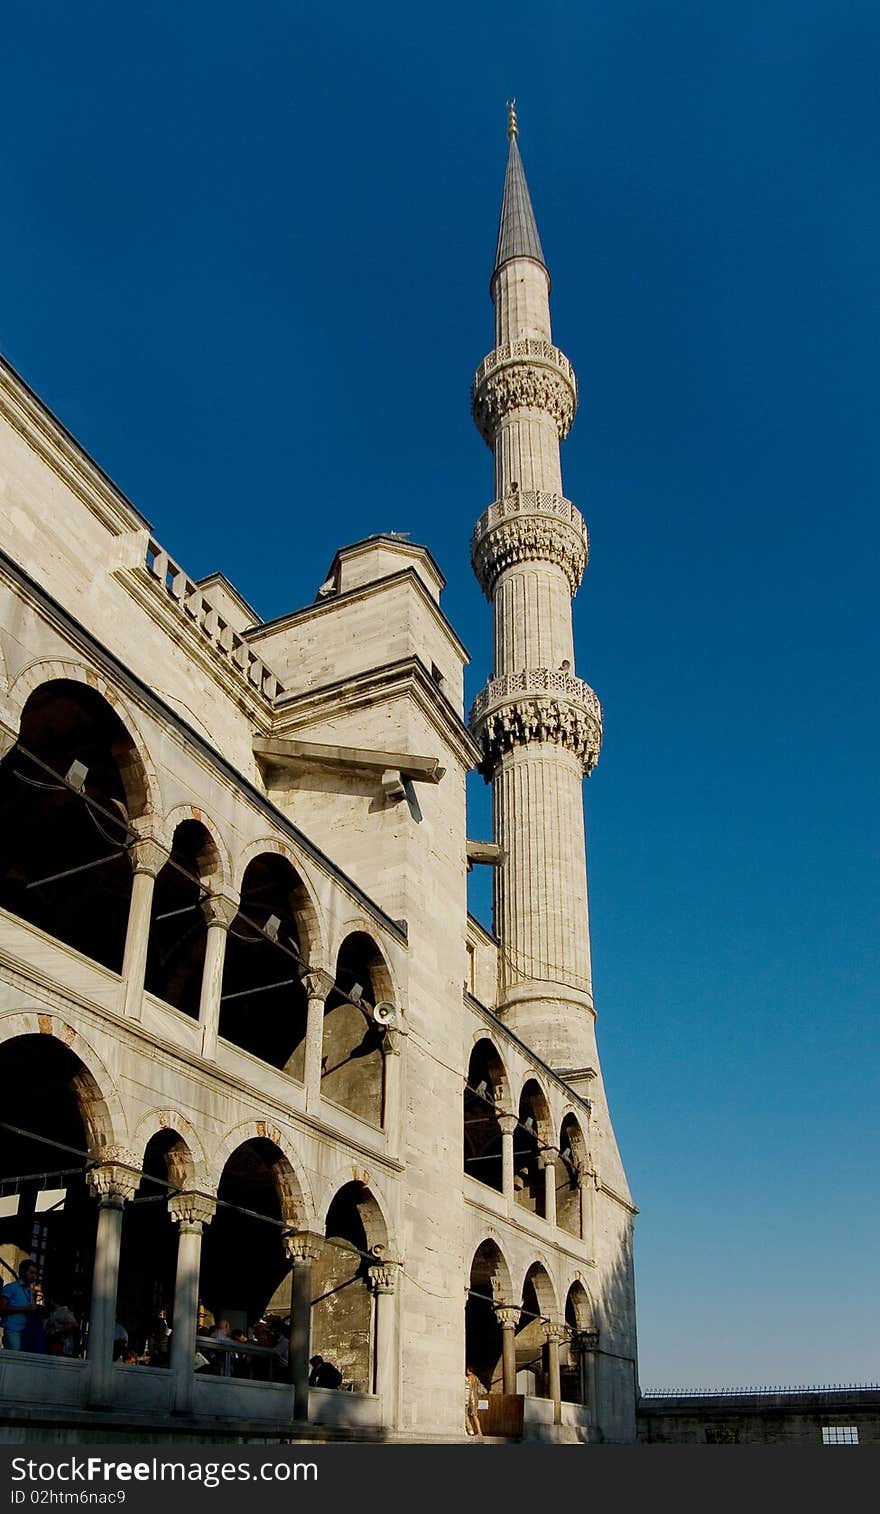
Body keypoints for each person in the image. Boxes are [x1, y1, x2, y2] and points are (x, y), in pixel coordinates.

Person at [0, 1259, 41, 1352]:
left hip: (26, 1331)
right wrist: (24, 1309)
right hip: (13, 1330)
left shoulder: (29, 1290)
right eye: (31, 1273)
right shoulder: (10, 1287)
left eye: (35, 1273)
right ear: (22, 1272)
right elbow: (2, 1307)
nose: (34, 1276)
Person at [465, 1366, 484, 1437]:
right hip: (476, 1398)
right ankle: (478, 1432)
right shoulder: (476, 1378)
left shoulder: (470, 1378)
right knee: (473, 1415)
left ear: (469, 1370)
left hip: (471, 1399)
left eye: (467, 1369)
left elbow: (469, 1390)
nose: (466, 1370)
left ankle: (479, 1432)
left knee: (474, 1416)